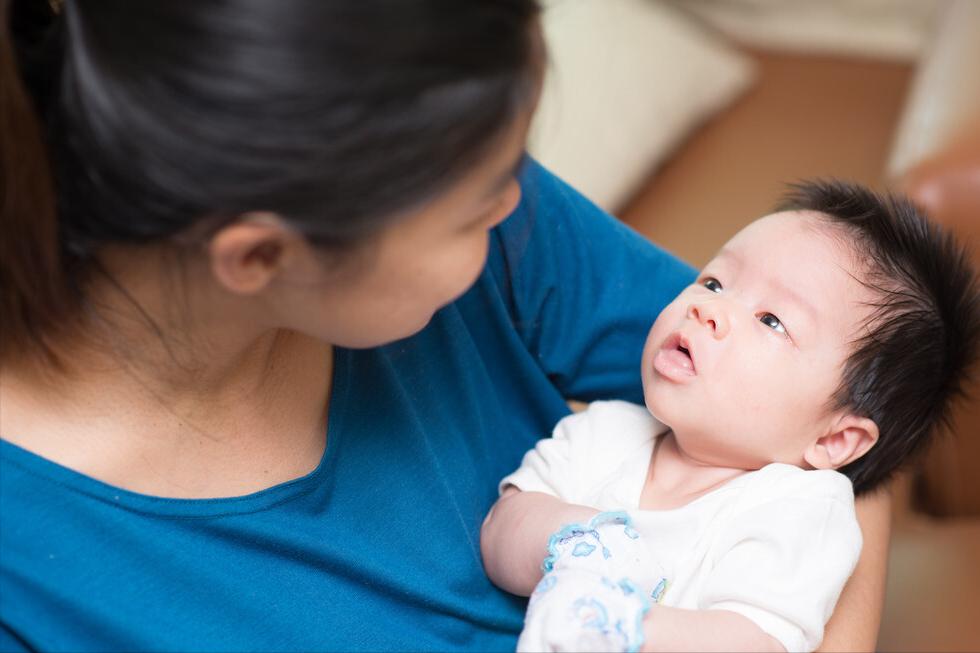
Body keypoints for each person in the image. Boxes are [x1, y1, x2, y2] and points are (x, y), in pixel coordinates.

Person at [0, 0, 890, 650]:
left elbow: (844, 417)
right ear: (262, 257)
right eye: (472, 207)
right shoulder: (34, 572)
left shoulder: (504, 220)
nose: (515, 201)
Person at [481, 180, 980, 652]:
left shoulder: (801, 509)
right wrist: (568, 535)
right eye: (715, 282)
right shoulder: (603, 431)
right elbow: (502, 529)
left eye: (771, 321)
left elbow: (753, 642)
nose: (705, 309)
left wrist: (625, 626)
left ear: (835, 440)